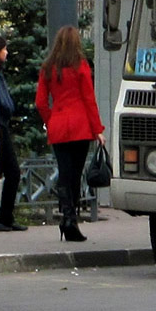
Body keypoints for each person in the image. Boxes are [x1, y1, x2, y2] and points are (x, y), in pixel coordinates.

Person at [35, 26, 106, 242]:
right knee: (75, 175)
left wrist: (51, 119)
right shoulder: (81, 66)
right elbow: (89, 99)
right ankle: (71, 220)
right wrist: (98, 130)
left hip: (59, 126)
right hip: (80, 126)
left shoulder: (48, 68)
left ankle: (66, 217)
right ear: (76, 43)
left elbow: (40, 102)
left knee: (64, 173)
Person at [0, 34, 27, 232]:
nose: (7, 52)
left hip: (2, 125)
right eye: (4, 49)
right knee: (2, 172)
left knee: (10, 172)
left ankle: (5, 217)